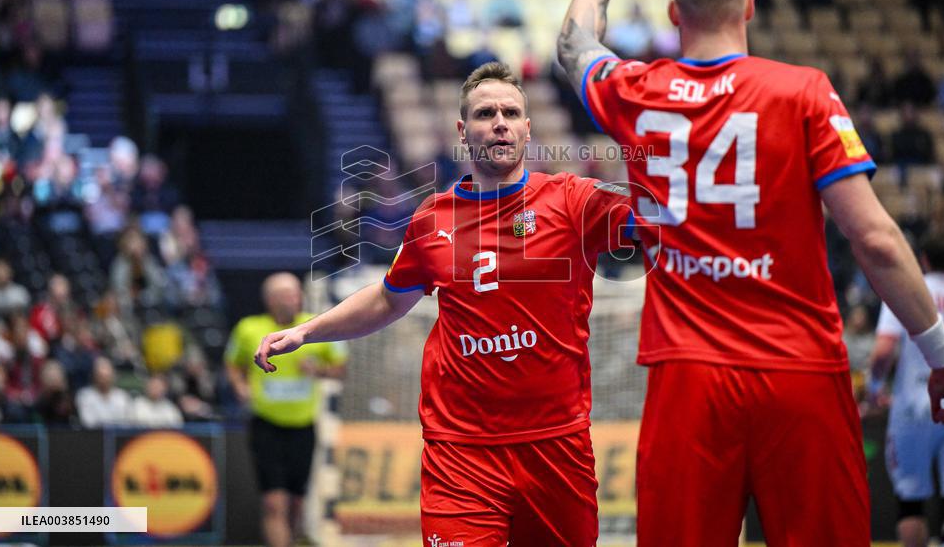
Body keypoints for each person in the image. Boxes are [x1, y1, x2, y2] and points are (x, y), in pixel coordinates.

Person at [555, 0, 944, 545]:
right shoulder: (802, 92)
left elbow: (574, 49)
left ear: (673, 10)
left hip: (687, 378)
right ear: (749, 5)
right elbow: (875, 239)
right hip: (800, 373)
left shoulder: (637, 92)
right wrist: (942, 356)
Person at [255, 61, 637, 546]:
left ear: (527, 126)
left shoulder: (574, 201)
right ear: (463, 130)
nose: (499, 121)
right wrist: (307, 331)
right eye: (485, 113)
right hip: (461, 451)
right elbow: (387, 301)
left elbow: (662, 219)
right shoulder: (432, 218)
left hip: (556, 446)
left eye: (510, 112)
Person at [869, 234, 944, 547]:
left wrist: (874, 387)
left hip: (913, 405)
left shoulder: (905, 291)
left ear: (923, 259)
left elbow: (882, 352)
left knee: (910, 499)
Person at [225, 273, 347, 547]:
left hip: (304, 427)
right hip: (266, 426)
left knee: (296, 504)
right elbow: (233, 363)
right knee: (273, 502)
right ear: (270, 300)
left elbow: (341, 370)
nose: (294, 298)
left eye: (295, 293)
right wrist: (240, 386)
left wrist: (317, 370)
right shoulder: (249, 328)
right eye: (285, 294)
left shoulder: (317, 327)